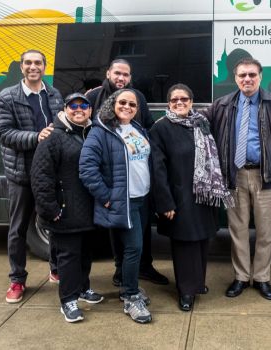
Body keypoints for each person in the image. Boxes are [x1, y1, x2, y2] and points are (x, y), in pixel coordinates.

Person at [203, 57, 271, 300]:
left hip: (265, 177)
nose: (247, 79)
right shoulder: (222, 104)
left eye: (252, 75)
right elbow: (200, 123)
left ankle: (261, 278)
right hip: (234, 176)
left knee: (265, 231)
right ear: (236, 78)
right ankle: (241, 276)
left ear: (261, 77)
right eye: (242, 75)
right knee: (237, 229)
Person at [150, 84, 234, 311]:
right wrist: (165, 202)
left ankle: (198, 283)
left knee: (201, 241)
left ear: (191, 101)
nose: (180, 103)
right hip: (179, 196)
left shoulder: (201, 123)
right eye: (175, 99)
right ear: (168, 103)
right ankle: (185, 290)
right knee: (184, 244)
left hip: (203, 194)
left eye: (184, 99)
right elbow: (158, 169)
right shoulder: (161, 128)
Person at [86, 58, 168, 286]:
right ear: (108, 73)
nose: (121, 78)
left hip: (139, 183)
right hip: (113, 183)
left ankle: (144, 268)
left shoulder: (137, 97)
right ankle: (121, 272)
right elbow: (77, 121)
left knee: (142, 232)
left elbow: (149, 128)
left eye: (126, 74)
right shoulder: (92, 97)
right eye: (117, 73)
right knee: (118, 232)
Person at [0, 49, 63, 303]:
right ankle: (17, 280)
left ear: (44, 67)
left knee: (55, 223)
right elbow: (3, 133)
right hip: (21, 174)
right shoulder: (8, 96)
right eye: (28, 63)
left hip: (49, 173)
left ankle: (56, 269)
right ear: (22, 67)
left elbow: (62, 125)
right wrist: (36, 137)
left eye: (38, 63)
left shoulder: (54, 94)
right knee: (18, 230)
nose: (33, 67)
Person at [79, 89, 153, 324]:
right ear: (112, 104)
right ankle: (130, 296)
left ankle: (125, 282)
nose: (127, 107)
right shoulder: (100, 132)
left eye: (132, 104)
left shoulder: (137, 128)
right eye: (122, 102)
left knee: (126, 248)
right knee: (134, 248)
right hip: (124, 200)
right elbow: (87, 169)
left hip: (141, 197)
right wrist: (106, 197)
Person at [31, 93, 103, 322]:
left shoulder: (93, 133)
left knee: (85, 253)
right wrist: (51, 210)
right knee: (68, 256)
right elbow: (41, 177)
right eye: (74, 106)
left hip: (89, 209)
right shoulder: (53, 137)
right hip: (65, 210)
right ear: (65, 109)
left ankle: (83, 288)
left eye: (84, 105)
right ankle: (68, 301)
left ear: (90, 111)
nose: (79, 109)